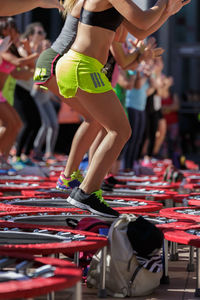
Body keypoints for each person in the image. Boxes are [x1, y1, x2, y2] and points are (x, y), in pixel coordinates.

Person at [55, 0, 190, 217]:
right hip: (82, 66)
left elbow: (140, 31)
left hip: (82, 66)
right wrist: (163, 3)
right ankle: (85, 190)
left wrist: (166, 12)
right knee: (120, 130)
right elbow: (143, 19)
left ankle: (83, 186)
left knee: (107, 127)